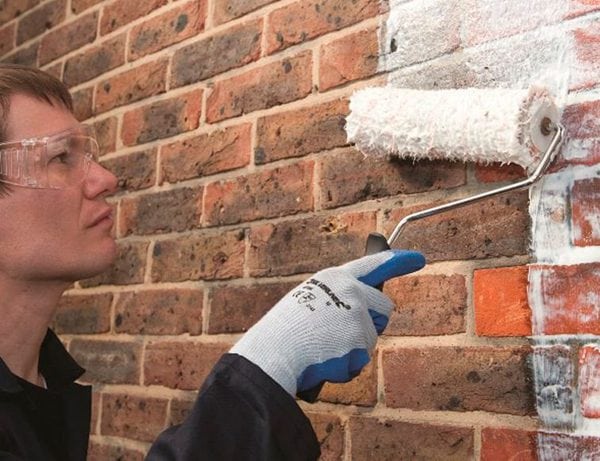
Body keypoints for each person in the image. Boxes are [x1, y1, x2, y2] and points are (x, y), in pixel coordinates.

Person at [0, 64, 426, 460]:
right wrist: (268, 364)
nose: (105, 180)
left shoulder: (42, 385)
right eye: (61, 157)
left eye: (87, 155)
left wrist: (271, 366)